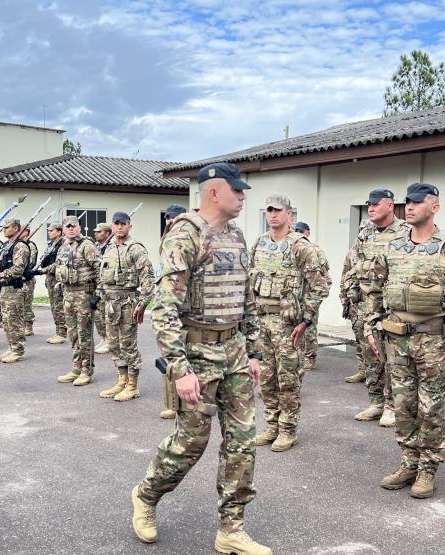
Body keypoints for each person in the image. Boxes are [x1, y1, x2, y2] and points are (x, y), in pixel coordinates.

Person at [130, 162, 270, 555]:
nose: (242, 197)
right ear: (213, 192)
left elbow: (246, 298)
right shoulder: (185, 234)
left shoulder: (236, 235)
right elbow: (165, 310)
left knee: (242, 442)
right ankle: (146, 495)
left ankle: (231, 529)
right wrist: (179, 369)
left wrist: (254, 351)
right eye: (236, 190)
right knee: (191, 442)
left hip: (234, 352)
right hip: (196, 354)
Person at [366, 183, 445, 499]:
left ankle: (427, 469)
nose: (410, 207)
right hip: (397, 340)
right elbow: (375, 290)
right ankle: (409, 461)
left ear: (434, 207)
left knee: (430, 407)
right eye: (407, 202)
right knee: (403, 405)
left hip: (434, 340)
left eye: (418, 202)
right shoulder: (392, 247)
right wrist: (372, 326)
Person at [250, 195, 329, 452]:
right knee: (266, 379)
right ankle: (272, 425)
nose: (273, 215)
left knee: (288, 379)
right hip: (262, 322)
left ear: (289, 215)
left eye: (278, 211)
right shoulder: (259, 243)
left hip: (287, 326)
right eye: (269, 210)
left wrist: (306, 320)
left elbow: (320, 285)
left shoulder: (301, 247)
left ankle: (287, 430)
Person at [342, 189, 408, 427]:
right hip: (364, 304)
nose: (370, 208)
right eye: (368, 204)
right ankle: (376, 402)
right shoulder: (365, 232)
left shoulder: (404, 232)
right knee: (370, 356)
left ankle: (391, 406)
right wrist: (348, 291)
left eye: (375, 204)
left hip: (390, 305)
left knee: (391, 357)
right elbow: (352, 261)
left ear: (390, 205)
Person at [96, 211, 155, 402]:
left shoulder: (136, 249)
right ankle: (121, 381)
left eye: (123, 224)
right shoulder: (109, 248)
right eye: (116, 224)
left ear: (129, 226)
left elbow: (148, 278)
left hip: (128, 302)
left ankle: (132, 386)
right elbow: (102, 275)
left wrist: (143, 303)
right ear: (112, 226)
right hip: (110, 303)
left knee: (128, 345)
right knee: (113, 344)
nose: (120, 227)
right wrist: (99, 297)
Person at [55, 216, 99, 385]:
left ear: (79, 228)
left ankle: (86, 371)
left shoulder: (87, 246)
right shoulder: (63, 247)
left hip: (83, 295)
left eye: (74, 226)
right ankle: (76, 368)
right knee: (73, 334)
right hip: (68, 294)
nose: (71, 229)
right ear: (64, 229)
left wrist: (97, 294)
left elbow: (99, 269)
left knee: (84, 334)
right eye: (67, 226)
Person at [157, 203, 188, 420]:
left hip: (185, 306)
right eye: (168, 217)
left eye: (175, 217)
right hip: (168, 306)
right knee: (169, 356)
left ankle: (186, 405)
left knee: (185, 356)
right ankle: (173, 404)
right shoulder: (165, 241)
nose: (171, 220)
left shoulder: (188, 241)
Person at [0, 219, 30, 363]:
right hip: (4, 288)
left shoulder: (20, 246)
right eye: (3, 227)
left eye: (7, 227)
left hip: (15, 287)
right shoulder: (6, 246)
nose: (4, 230)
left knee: (14, 320)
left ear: (16, 228)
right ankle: (11, 347)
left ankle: (17, 350)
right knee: (6, 321)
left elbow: (18, 269)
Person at [294, 221, 328, 373]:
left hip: (309, 295)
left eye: (300, 231)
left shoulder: (314, 250)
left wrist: (317, 297)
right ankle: (299, 357)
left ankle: (309, 359)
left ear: (307, 232)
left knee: (309, 327)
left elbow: (324, 276)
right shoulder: (291, 247)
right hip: (295, 297)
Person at [40, 223, 68, 344]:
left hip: (57, 278)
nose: (49, 232)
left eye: (52, 230)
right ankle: (58, 331)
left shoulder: (63, 245)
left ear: (59, 231)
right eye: (48, 230)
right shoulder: (51, 244)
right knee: (53, 306)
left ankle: (62, 333)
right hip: (50, 277)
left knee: (58, 306)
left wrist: (43, 270)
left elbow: (59, 263)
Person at [93, 222, 113, 354]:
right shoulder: (96, 246)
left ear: (107, 233)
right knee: (98, 316)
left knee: (106, 316)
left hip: (105, 287)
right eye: (96, 231)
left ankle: (109, 341)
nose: (96, 234)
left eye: (99, 232)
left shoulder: (111, 247)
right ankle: (103, 338)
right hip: (95, 285)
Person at [18, 227, 38, 336]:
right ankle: (22, 325)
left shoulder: (30, 245)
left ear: (26, 232)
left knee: (27, 303)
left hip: (27, 278)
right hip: (19, 278)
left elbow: (31, 262)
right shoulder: (19, 244)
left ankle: (29, 326)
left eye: (22, 230)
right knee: (20, 303)